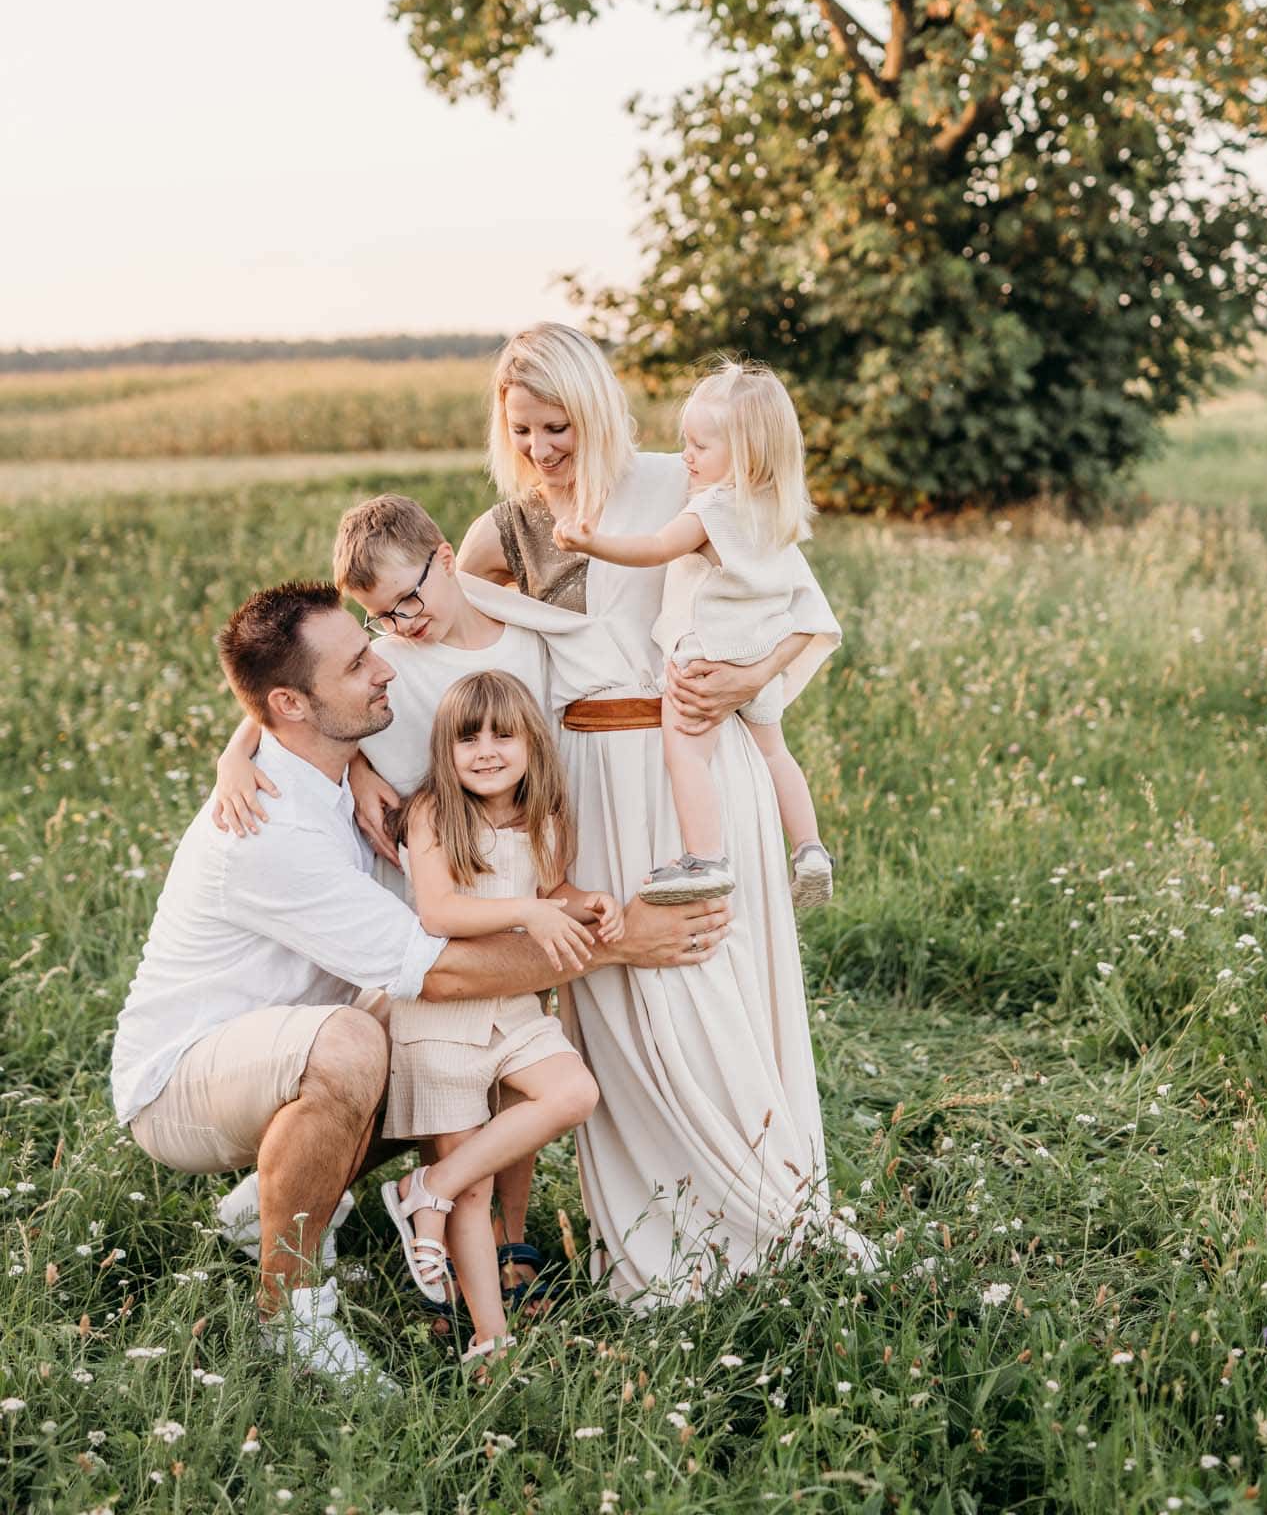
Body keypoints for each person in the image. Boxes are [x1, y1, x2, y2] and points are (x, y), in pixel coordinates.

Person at [111, 581, 731, 1385]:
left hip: (293, 1032)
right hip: (181, 1082)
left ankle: (262, 1206)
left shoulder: (335, 767)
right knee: (357, 1041)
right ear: (291, 705)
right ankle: (288, 1317)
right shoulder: (267, 829)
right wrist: (618, 944)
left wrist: (278, 747)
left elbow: (272, 702)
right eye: (357, 665)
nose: (385, 669)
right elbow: (437, 971)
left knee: (453, 1037)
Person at [458, 322, 871, 1304]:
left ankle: (771, 1222)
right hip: (589, 785)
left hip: (696, 767)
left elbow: (795, 597)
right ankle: (658, 1261)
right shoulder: (506, 531)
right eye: (523, 429)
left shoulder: (682, 482)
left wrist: (753, 675)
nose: (541, 448)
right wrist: (248, 742)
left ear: (596, 410)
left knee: (711, 988)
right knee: (624, 1008)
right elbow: (394, 625)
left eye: (558, 425)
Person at [381, 672, 619, 1363]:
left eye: (502, 736)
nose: (486, 751)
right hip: (442, 1016)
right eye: (468, 739)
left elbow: (552, 888)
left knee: (573, 1093)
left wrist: (587, 901)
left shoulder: (544, 815)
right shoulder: (434, 812)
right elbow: (439, 913)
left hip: (513, 1010)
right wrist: (528, 912)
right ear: (446, 750)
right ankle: (490, 1339)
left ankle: (426, 1190)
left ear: (531, 744)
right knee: (476, 1183)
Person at [554, 359, 835, 910]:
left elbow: (656, 548)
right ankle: (810, 848)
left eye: (700, 446)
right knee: (776, 754)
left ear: (746, 454)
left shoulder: (712, 508)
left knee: (685, 754)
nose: (686, 456)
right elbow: (800, 604)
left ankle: (706, 857)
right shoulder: (774, 513)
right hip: (759, 662)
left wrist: (592, 543)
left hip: (705, 659)